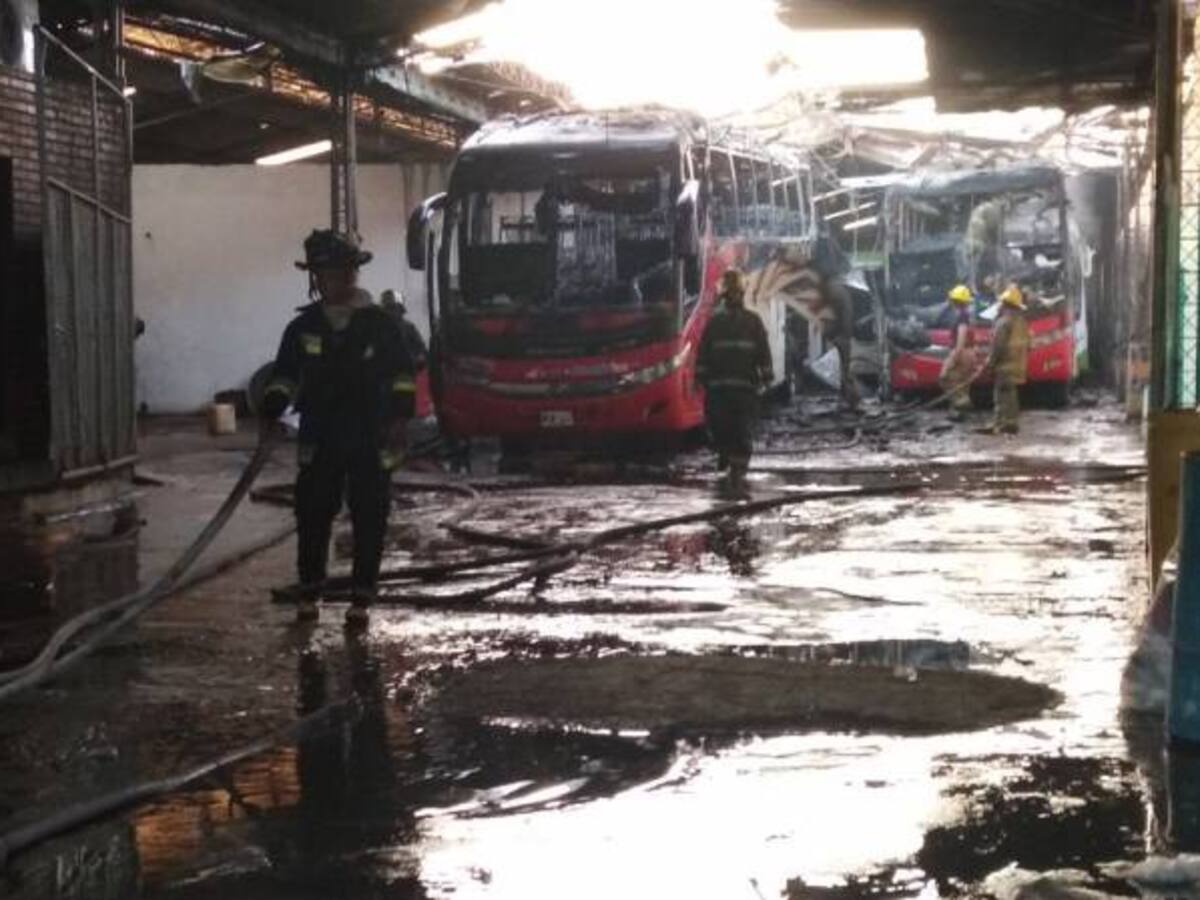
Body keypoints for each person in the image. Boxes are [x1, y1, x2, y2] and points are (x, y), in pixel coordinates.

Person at [260, 230, 417, 628]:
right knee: (312, 512)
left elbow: (403, 375)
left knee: (369, 515)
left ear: (354, 273)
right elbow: (284, 374)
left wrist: (400, 419)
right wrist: (273, 405)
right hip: (320, 433)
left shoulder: (381, 325)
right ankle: (310, 591)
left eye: (345, 272)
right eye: (329, 273)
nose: (339, 280)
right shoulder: (304, 327)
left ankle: (361, 598)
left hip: (370, 432)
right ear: (316, 278)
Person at [696, 268, 773, 491]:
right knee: (737, 431)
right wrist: (767, 378)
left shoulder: (717, 323)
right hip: (739, 391)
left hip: (725, 392)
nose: (734, 298)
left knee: (730, 430)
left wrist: (700, 378)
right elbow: (764, 354)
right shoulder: (750, 322)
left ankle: (734, 474)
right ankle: (736, 475)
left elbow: (703, 354)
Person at [984, 284, 1030, 435]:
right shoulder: (1022, 322)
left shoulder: (1003, 322)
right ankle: (1011, 422)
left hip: (1004, 366)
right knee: (1011, 394)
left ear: (1004, 304)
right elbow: (1029, 344)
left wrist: (989, 364)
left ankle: (1000, 424)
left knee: (1000, 395)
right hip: (1018, 364)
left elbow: (998, 347)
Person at [939, 284, 978, 422]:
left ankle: (963, 404)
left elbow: (961, 339)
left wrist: (954, 358)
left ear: (955, 301)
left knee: (945, 378)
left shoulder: (962, 317)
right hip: (969, 352)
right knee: (962, 383)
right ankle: (959, 413)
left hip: (962, 352)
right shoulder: (968, 315)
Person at [380, 289, 429, 372]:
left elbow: (421, 350)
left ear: (400, 310)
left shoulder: (408, 327)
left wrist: (419, 359)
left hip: (405, 373)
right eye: (388, 308)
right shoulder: (377, 328)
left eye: (393, 308)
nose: (391, 312)